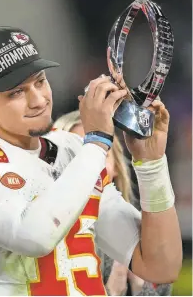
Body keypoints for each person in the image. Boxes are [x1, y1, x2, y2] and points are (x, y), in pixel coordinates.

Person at [0, 26, 182, 296]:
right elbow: (33, 237)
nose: (38, 100)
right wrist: (97, 140)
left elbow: (160, 266)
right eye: (16, 92)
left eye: (40, 81)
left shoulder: (75, 149)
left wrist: (152, 165)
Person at [55, 110, 172, 296]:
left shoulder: (142, 234)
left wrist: (140, 288)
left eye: (102, 154)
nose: (93, 167)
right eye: (78, 154)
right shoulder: (44, 237)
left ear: (116, 166)